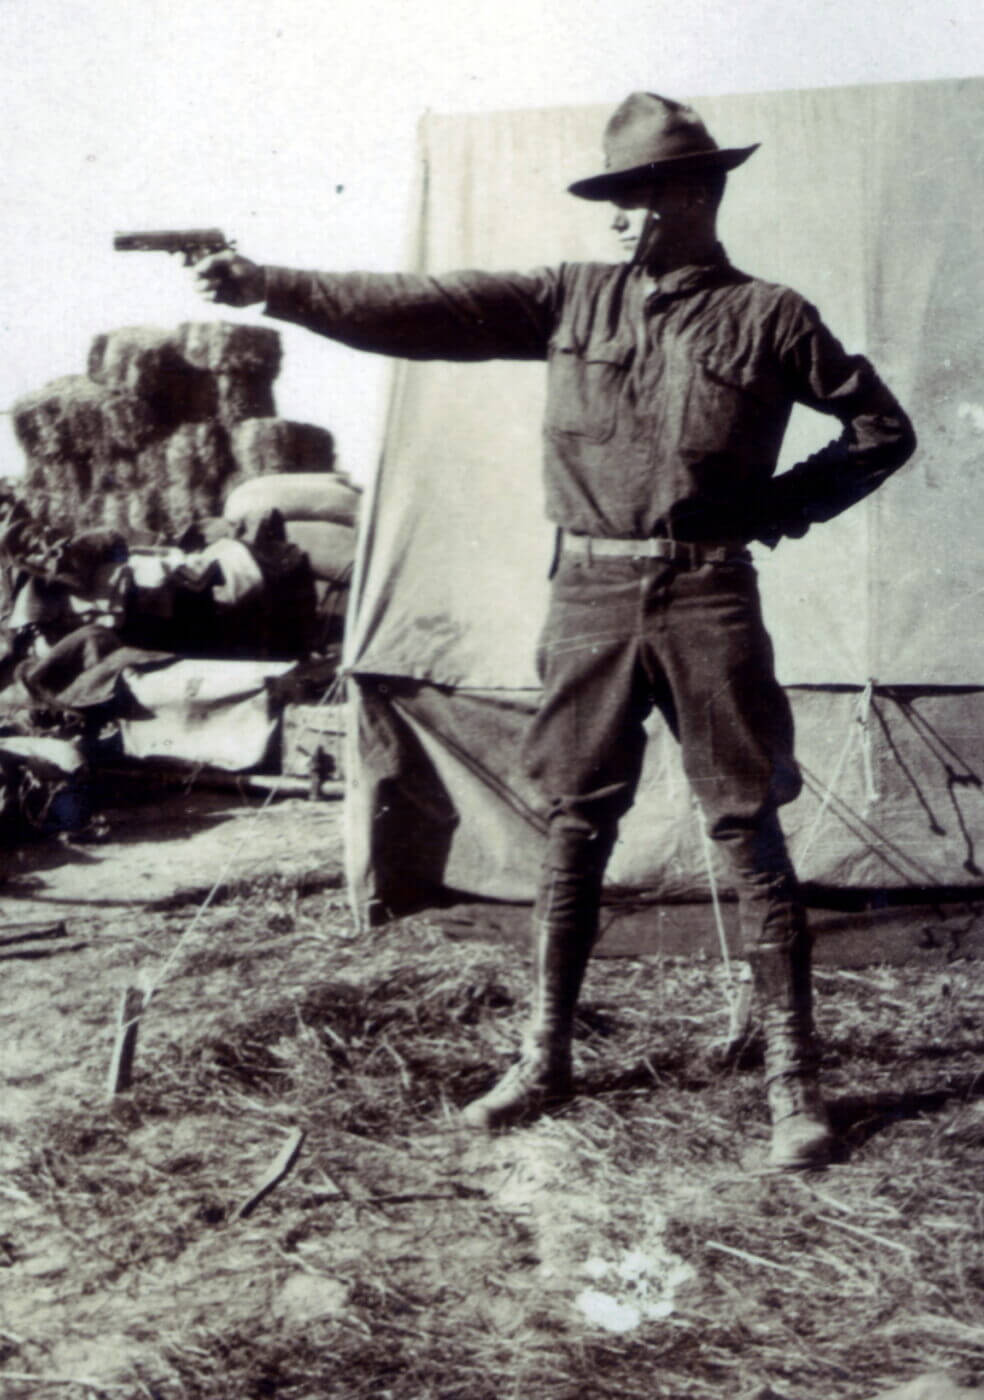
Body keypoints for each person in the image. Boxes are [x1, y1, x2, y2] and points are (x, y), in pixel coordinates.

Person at [196, 92, 916, 1169]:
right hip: (585, 595)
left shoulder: (771, 316)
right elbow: (424, 306)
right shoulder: (569, 299)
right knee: (573, 822)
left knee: (744, 824)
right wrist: (273, 289)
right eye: (609, 199)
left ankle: (792, 1082)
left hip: (708, 596)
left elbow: (878, 429)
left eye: (632, 196)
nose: (614, 217)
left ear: (691, 194)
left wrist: (771, 511)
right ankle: (545, 1056)